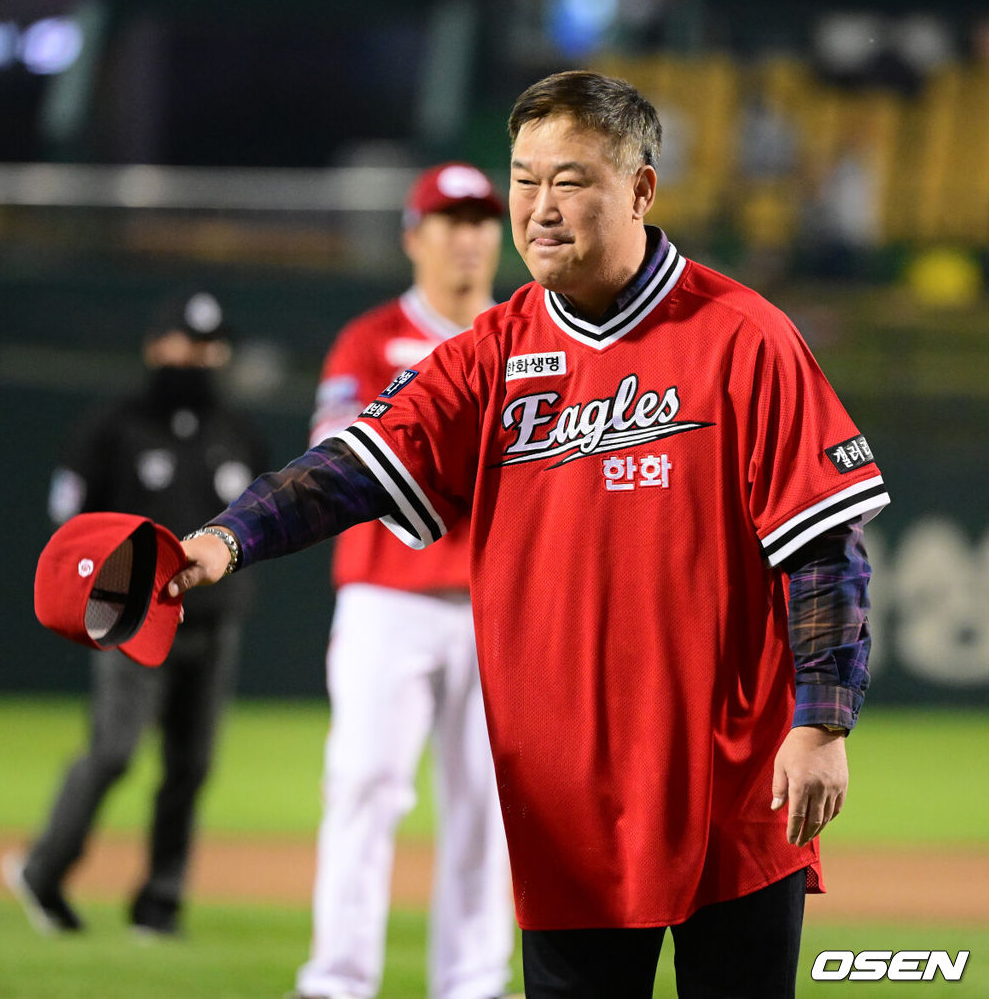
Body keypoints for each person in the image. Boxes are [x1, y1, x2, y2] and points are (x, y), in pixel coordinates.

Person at [171, 71, 890, 997]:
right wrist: (225, 541)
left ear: (640, 189)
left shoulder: (743, 337)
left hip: (735, 781)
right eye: (524, 178)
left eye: (571, 180)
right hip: (567, 797)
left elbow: (824, 546)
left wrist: (823, 721)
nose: (539, 209)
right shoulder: (491, 352)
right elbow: (352, 465)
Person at [292, 164, 516, 999]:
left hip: (498, 605)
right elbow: (341, 464)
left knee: (487, 811)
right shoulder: (371, 339)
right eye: (448, 219)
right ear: (412, 237)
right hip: (387, 598)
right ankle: (338, 981)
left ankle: (473, 982)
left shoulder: (528, 336)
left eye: (480, 219)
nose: (468, 236)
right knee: (362, 786)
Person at [4, 291, 267, 938]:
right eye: (185, 342)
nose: (196, 357)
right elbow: (69, 523)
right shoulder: (112, 426)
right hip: (133, 621)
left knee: (192, 765)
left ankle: (160, 901)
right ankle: (44, 870)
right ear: (157, 346)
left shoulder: (238, 431)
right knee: (115, 751)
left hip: (214, 621)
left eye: (208, 346)